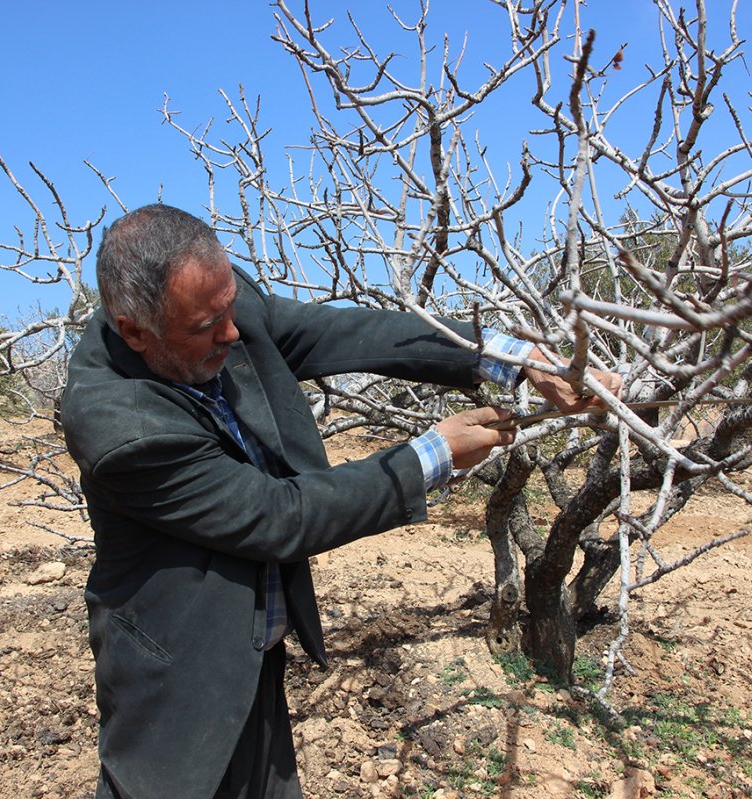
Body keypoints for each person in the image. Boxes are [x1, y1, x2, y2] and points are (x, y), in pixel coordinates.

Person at [61, 204, 620, 799]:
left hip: (252, 655)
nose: (232, 332)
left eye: (229, 310)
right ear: (135, 332)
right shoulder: (118, 426)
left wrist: (517, 360)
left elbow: (346, 333)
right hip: (180, 676)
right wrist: (429, 456)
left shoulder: (217, 307)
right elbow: (277, 516)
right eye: (206, 325)